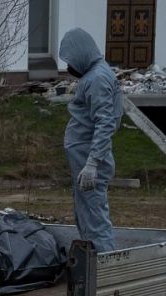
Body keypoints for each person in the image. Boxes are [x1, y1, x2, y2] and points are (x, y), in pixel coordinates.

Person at [60, 27, 121, 252]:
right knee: (86, 217)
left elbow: (105, 123)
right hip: (84, 160)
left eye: (71, 61)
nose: (69, 68)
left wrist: (92, 163)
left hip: (89, 162)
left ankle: (104, 272)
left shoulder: (97, 79)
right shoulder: (94, 75)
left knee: (95, 220)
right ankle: (92, 268)